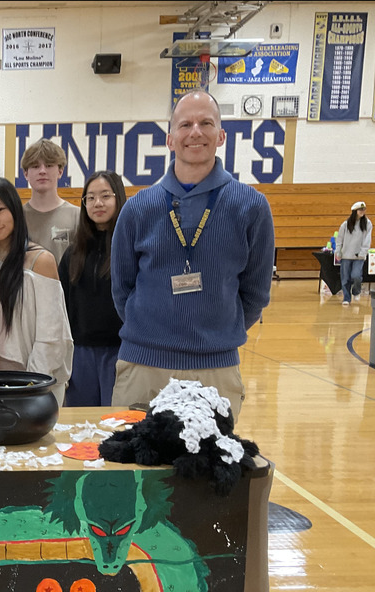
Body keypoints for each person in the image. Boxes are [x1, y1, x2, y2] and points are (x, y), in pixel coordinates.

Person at [110, 89, 275, 422]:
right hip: (143, 367)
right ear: (170, 139)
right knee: (130, 470)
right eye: (185, 125)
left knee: (205, 472)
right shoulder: (138, 208)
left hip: (215, 368)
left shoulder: (251, 207)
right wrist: (153, 336)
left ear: (221, 136)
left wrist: (216, 336)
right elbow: (121, 290)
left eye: (206, 123)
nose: (195, 132)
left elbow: (256, 293)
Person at [0, 178, 72, 407]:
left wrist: (31, 385)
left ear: (14, 208)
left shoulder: (40, 261)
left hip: (32, 380)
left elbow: (51, 337)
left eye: (0, 210)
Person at [59, 170, 126, 407]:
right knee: (80, 427)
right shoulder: (73, 254)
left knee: (116, 426)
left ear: (119, 198)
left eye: (105, 196)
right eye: (90, 197)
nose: (98, 203)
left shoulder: (131, 250)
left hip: (120, 352)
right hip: (81, 355)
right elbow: (62, 307)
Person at [21, 138, 79, 268]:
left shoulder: (77, 216)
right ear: (26, 174)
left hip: (64, 287)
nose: (42, 171)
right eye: (35, 166)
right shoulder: (16, 216)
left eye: (48, 165)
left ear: (60, 171)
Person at [336, 201, 372, 306]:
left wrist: (363, 251)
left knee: (356, 275)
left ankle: (356, 291)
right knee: (345, 277)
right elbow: (340, 239)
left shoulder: (367, 223)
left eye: (364, 209)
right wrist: (338, 251)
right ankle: (347, 298)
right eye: (360, 210)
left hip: (359, 256)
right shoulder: (345, 224)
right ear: (354, 211)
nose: (362, 211)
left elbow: (367, 239)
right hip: (346, 255)